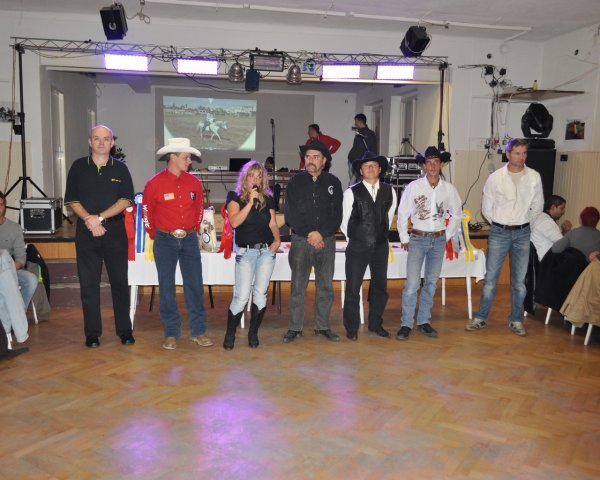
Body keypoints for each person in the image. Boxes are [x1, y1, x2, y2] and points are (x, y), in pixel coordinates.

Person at [64, 125, 135, 348]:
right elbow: (72, 200)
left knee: (120, 282)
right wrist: (90, 220)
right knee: (88, 285)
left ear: (112, 143)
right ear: (90, 141)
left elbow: (125, 200)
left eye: (106, 139)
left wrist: (100, 218)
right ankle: (92, 334)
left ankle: (125, 330)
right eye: (97, 138)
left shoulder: (121, 169)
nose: (101, 142)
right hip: (86, 232)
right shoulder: (78, 167)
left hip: (115, 232)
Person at [466, 138, 544, 337]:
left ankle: (516, 320)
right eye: (517, 153)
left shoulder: (534, 177)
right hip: (499, 233)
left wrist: (523, 221)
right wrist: (501, 224)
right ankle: (481, 317)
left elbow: (538, 206)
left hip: (523, 233)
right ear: (508, 154)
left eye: (524, 153)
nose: (521, 157)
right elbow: (486, 208)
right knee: (490, 280)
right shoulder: (495, 178)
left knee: (519, 282)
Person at [143, 137, 212, 351]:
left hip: (189, 240)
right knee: (166, 288)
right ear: (172, 157)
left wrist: (193, 228)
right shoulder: (154, 184)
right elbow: (146, 213)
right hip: (164, 240)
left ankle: (198, 331)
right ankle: (171, 332)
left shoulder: (194, 183)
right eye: (186, 157)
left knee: (195, 286)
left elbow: (199, 209)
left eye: (189, 157)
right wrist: (156, 234)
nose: (190, 161)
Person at [396, 147, 462, 341]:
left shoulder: (449, 189)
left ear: (441, 165)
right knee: (412, 284)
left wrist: (447, 235)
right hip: (418, 239)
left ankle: (423, 321)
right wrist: (404, 238)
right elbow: (403, 213)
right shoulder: (414, 187)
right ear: (424, 165)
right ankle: (406, 324)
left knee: (431, 283)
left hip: (438, 240)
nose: (433, 166)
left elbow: (457, 213)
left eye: (436, 162)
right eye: (429, 162)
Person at [284, 140, 343, 343]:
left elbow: (337, 215)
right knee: (297, 286)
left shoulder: (333, 182)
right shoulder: (295, 182)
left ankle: (323, 326)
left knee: (325, 286)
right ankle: (295, 327)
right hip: (301, 241)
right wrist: (311, 234)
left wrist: (322, 234)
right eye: (308, 156)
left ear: (324, 160)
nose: (310, 160)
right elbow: (290, 214)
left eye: (315, 157)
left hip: (326, 241)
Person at [223, 160, 281, 350]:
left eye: (259, 176)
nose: (255, 180)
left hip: (266, 252)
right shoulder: (234, 197)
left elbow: (273, 223)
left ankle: (253, 333)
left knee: (260, 294)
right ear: (244, 178)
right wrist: (250, 202)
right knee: (241, 296)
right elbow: (234, 222)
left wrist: (277, 240)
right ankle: (230, 333)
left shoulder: (268, 198)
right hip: (245, 252)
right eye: (251, 176)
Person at [341, 152, 397, 340]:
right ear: (361, 171)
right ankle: (351, 327)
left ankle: (375, 324)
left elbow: (388, 217)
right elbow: (344, 221)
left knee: (380, 287)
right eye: (366, 166)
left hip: (380, 246)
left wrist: (380, 236)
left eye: (374, 165)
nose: (371, 168)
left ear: (380, 169)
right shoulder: (351, 192)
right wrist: (355, 240)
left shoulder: (390, 191)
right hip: (357, 246)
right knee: (353, 287)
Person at [0, 191, 38, 315]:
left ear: (4, 207)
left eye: (1, 204)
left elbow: (21, 259)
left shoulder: (14, 228)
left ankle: (17, 314)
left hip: (8, 269)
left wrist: (7, 270)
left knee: (31, 280)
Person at [530, 195, 572, 261]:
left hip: (539, 259)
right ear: (553, 207)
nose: (564, 212)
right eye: (562, 208)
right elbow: (562, 244)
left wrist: (564, 231)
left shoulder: (540, 217)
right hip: (544, 262)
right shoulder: (547, 222)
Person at [347, 114, 377, 183]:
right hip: (352, 161)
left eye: (356, 121)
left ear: (360, 121)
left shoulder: (370, 134)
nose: (355, 123)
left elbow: (372, 150)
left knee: (353, 182)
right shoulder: (359, 132)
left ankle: (350, 190)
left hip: (359, 162)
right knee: (354, 182)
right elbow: (356, 147)